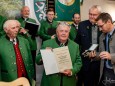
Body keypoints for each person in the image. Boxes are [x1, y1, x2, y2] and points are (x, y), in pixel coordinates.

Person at [36, 22, 82, 86]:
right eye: (61, 31)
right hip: (50, 81)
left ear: (69, 33)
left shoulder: (75, 46)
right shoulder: (47, 43)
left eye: (66, 31)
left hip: (68, 81)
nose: (64, 33)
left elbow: (78, 62)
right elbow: (37, 61)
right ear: (57, 33)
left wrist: (71, 71)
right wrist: (44, 54)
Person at [0, 20, 35, 86]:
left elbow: (30, 60)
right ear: (5, 30)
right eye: (13, 28)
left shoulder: (24, 41)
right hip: (9, 80)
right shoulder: (1, 43)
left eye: (17, 27)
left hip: (26, 79)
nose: (16, 30)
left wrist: (32, 75)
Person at [75, 5, 102, 86]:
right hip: (84, 62)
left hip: (99, 63)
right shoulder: (82, 25)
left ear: (100, 15)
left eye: (94, 14)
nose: (91, 16)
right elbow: (76, 42)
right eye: (90, 14)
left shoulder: (103, 26)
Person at [92, 12, 115, 86]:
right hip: (105, 70)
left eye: (101, 26)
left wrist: (111, 56)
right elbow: (102, 53)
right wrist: (94, 55)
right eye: (98, 27)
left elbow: (108, 55)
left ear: (109, 22)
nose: (100, 29)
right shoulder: (102, 36)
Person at [17, 6, 38, 80]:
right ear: (21, 12)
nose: (27, 12)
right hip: (21, 46)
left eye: (28, 11)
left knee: (32, 64)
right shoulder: (17, 21)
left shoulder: (33, 21)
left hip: (32, 46)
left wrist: (27, 32)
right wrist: (20, 31)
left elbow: (37, 34)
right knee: (22, 64)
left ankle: (33, 81)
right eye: (25, 11)